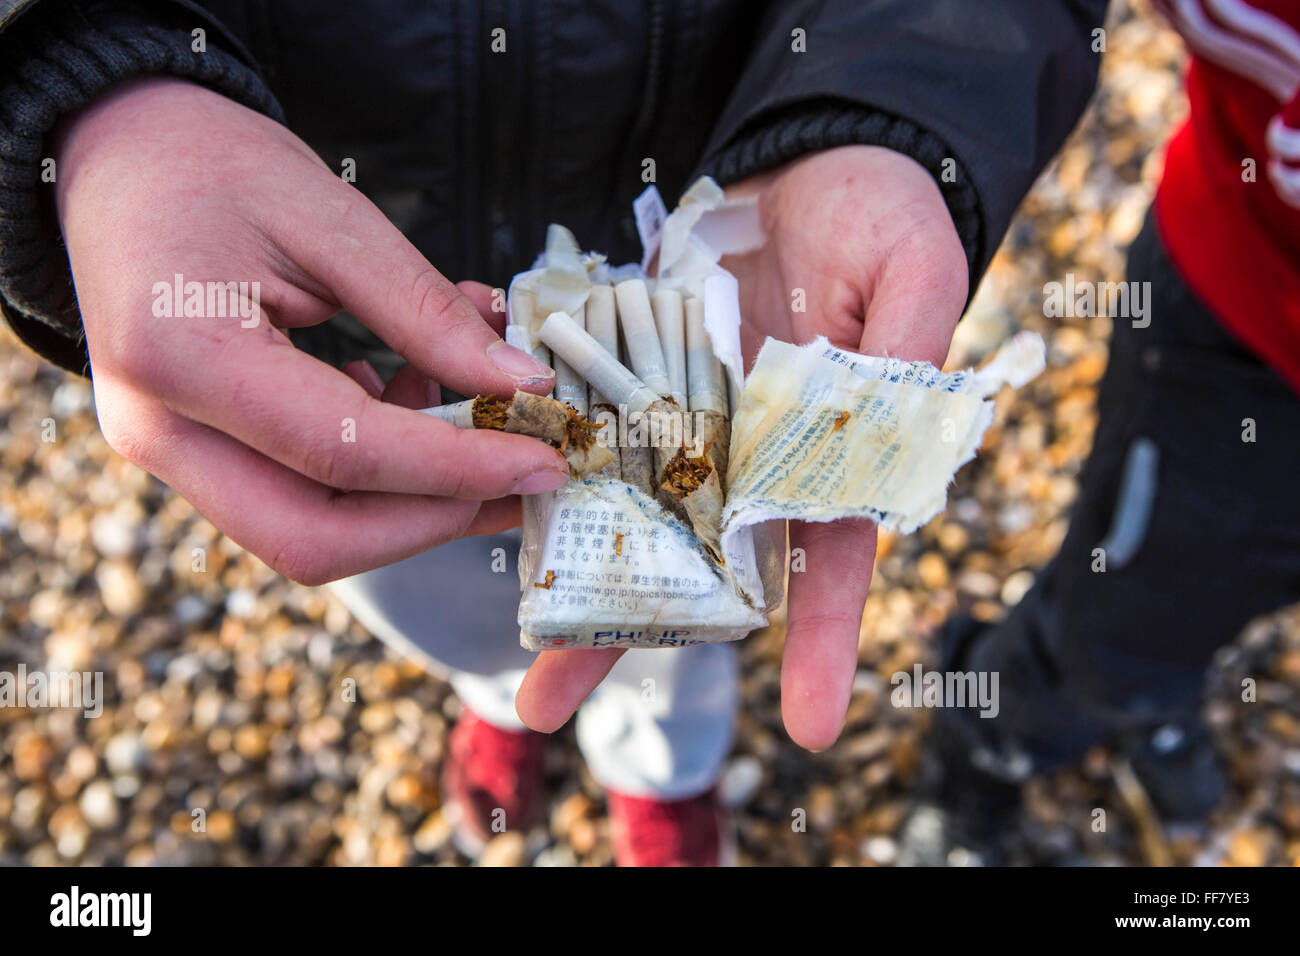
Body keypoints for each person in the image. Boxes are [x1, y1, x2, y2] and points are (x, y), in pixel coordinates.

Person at [0, 0, 1107, 864]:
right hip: (360, 334)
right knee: (432, 580)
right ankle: (494, 700)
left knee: (677, 627)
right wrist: (105, 88)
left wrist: (889, 107)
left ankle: (662, 772)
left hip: (722, 238)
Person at [904, 0, 1300, 864]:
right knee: (1117, 620)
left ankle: (1156, 689)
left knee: (1190, 615)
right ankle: (987, 733)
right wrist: (885, 128)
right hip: (1247, 336)